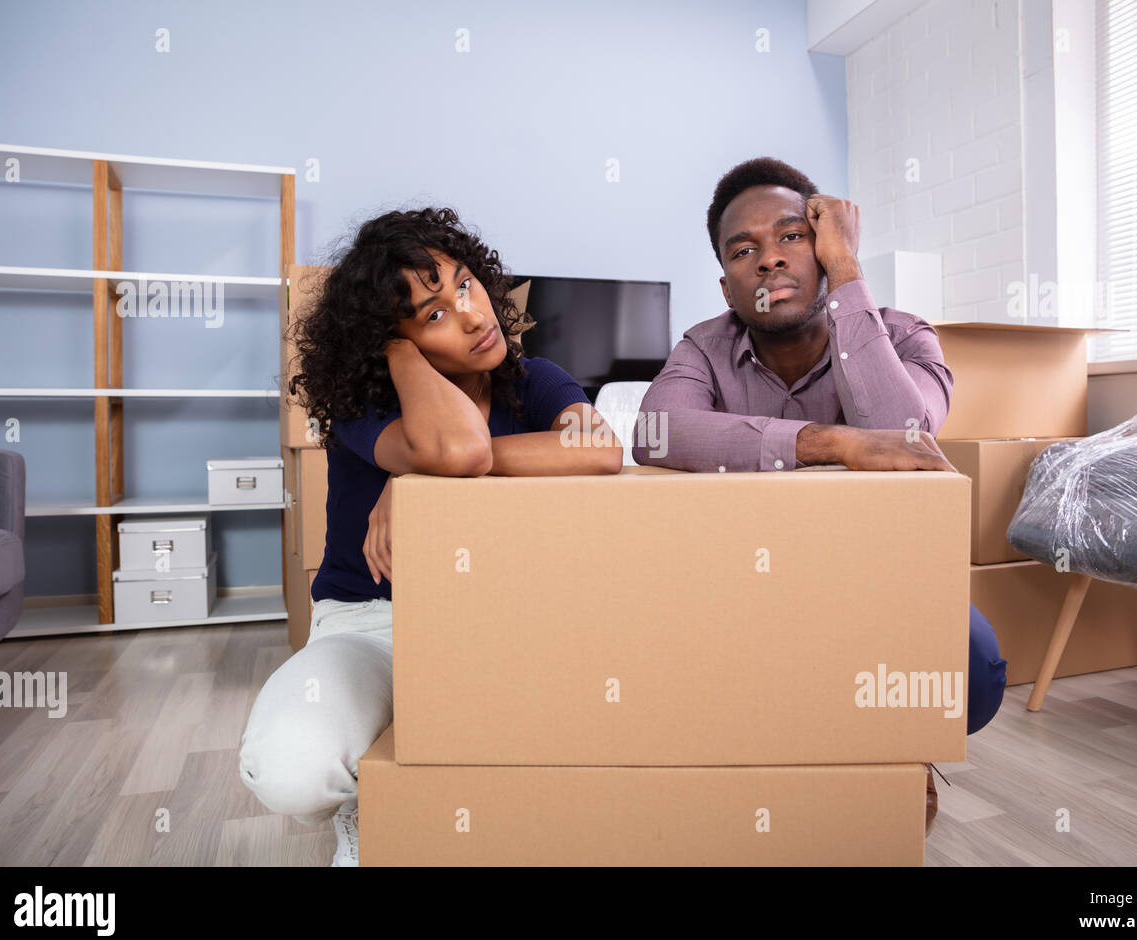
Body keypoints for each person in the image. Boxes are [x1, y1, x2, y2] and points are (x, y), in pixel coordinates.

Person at [631, 157, 1007, 837]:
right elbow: (657, 431)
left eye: (793, 238)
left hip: (878, 584)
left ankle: (898, 744)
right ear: (727, 286)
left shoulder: (902, 334)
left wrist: (849, 275)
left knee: (972, 671)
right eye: (745, 251)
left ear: (828, 248)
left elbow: (907, 432)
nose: (769, 260)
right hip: (745, 585)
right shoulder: (704, 348)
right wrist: (829, 443)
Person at [238, 207, 622, 865]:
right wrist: (394, 357)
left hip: (502, 624)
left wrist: (424, 475)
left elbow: (600, 448)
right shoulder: (368, 401)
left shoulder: (532, 380)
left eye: (465, 285)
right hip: (371, 626)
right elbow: (455, 447)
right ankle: (370, 800)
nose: (473, 316)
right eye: (432, 315)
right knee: (288, 766)